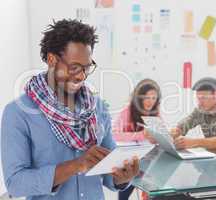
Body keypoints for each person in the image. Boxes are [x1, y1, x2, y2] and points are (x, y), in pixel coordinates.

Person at [1, 19, 139, 200]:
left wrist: (123, 177)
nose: (81, 76)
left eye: (86, 68)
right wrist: (75, 166)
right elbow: (16, 184)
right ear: (52, 59)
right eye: (74, 67)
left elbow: (109, 170)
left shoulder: (97, 107)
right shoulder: (18, 113)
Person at [113, 79, 161, 200]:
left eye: (154, 98)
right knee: (124, 193)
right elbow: (115, 135)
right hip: (129, 162)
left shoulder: (156, 113)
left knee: (153, 193)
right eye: (147, 97)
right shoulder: (127, 112)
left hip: (149, 162)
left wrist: (159, 138)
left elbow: (162, 133)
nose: (150, 102)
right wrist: (141, 135)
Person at [171, 77, 216, 153]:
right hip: (213, 157)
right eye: (198, 99)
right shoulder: (201, 110)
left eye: (203, 98)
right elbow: (186, 123)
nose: (199, 103)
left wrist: (193, 142)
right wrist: (176, 131)